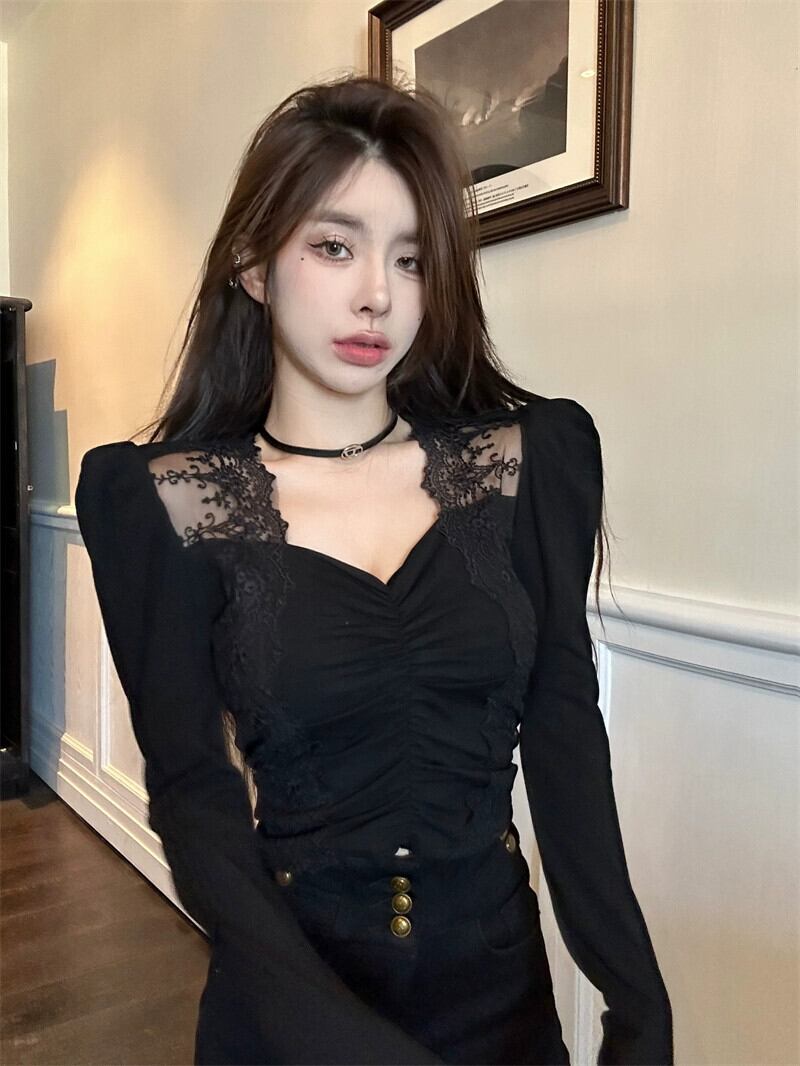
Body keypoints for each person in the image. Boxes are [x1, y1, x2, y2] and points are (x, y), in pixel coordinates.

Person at [74, 73, 673, 1065]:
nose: (378, 297)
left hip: (497, 998)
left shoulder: (530, 463)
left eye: (412, 258)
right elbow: (193, 798)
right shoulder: (160, 500)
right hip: (293, 1001)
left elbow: (565, 737)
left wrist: (639, 1010)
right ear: (253, 263)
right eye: (333, 246)